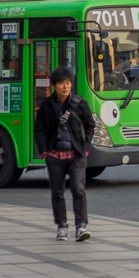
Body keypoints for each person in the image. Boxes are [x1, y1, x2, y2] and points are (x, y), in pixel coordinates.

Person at [34, 67, 94, 241]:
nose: (65, 87)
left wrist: (86, 146)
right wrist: (44, 149)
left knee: (78, 189)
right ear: (54, 86)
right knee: (57, 192)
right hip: (55, 155)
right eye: (61, 83)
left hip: (76, 154)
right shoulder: (46, 105)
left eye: (68, 83)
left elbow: (90, 125)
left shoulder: (79, 103)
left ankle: (81, 226)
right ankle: (61, 226)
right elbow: (39, 129)